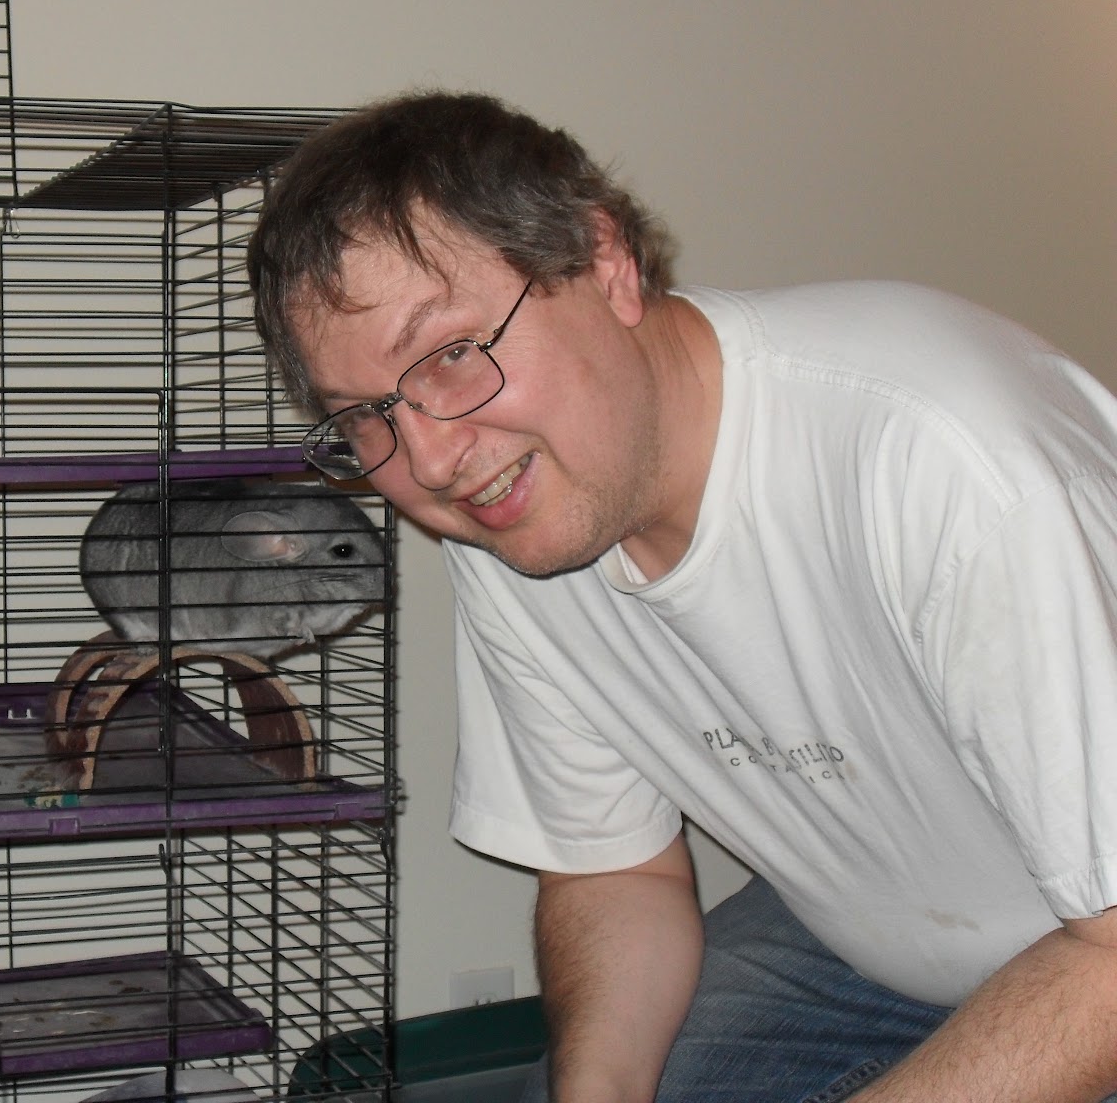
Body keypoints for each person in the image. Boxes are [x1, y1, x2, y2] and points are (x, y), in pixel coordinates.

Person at [246, 91, 1117, 1103]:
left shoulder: (945, 458)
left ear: (604, 262)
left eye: (449, 354)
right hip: (858, 936)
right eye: (366, 414)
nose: (431, 461)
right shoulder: (514, 509)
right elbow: (615, 867)